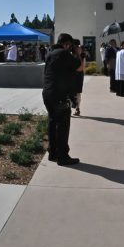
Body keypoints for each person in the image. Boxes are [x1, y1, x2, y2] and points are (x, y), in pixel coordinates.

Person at [42, 33, 82, 166]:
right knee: (63, 126)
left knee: (53, 124)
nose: (70, 48)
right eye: (70, 45)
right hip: (59, 95)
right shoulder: (64, 54)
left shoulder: (50, 54)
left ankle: (53, 153)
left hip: (48, 93)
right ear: (67, 44)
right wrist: (77, 53)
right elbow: (79, 67)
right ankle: (63, 157)